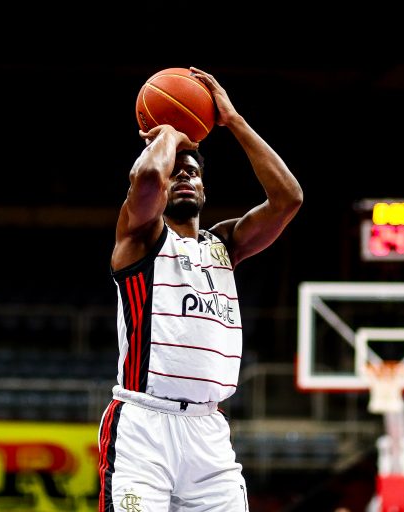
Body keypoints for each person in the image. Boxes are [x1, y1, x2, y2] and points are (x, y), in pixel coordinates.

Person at [97, 66, 303, 511]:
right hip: (144, 425)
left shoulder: (224, 244)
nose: (183, 177)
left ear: (205, 187)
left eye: (192, 172)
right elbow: (147, 180)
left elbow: (288, 198)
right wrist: (171, 134)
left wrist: (234, 121)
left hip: (208, 431)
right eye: (175, 173)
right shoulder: (141, 239)